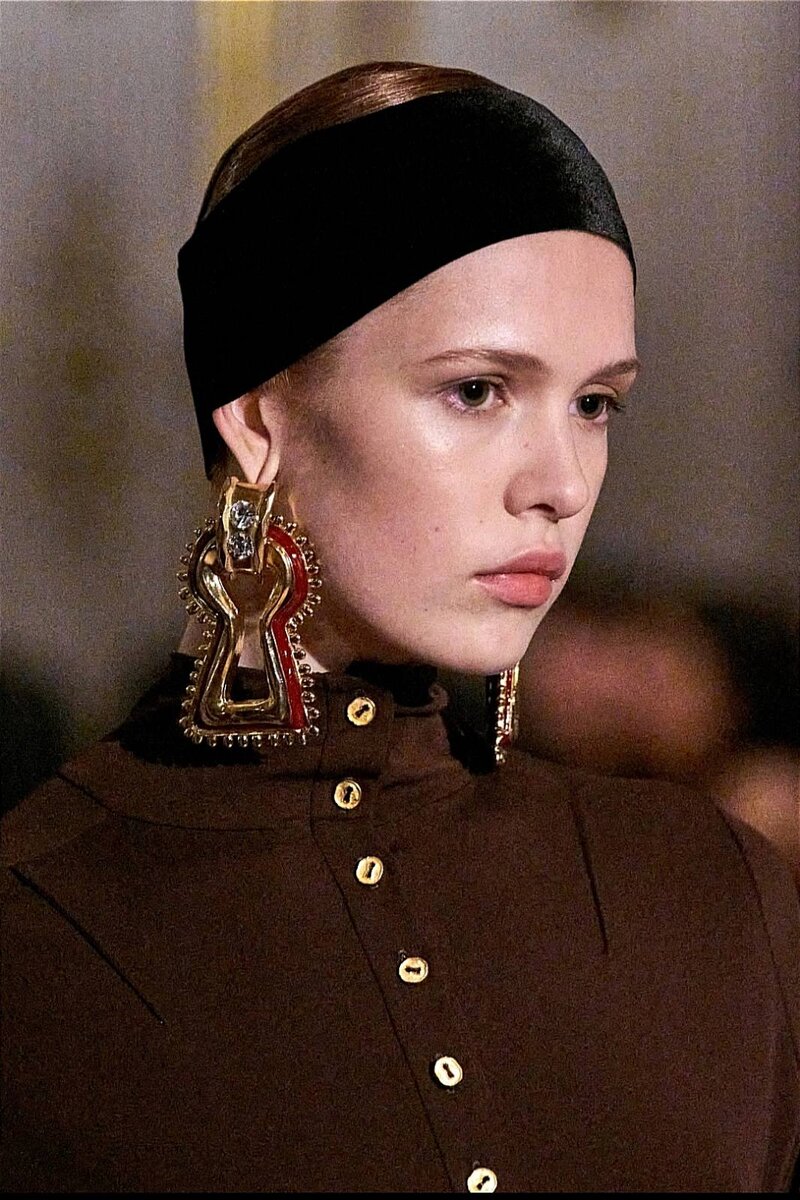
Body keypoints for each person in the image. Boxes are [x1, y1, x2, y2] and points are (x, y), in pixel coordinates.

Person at [2, 62, 798, 1194]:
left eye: (594, 404)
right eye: (477, 390)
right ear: (258, 420)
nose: (561, 483)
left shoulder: (708, 892)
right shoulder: (36, 940)